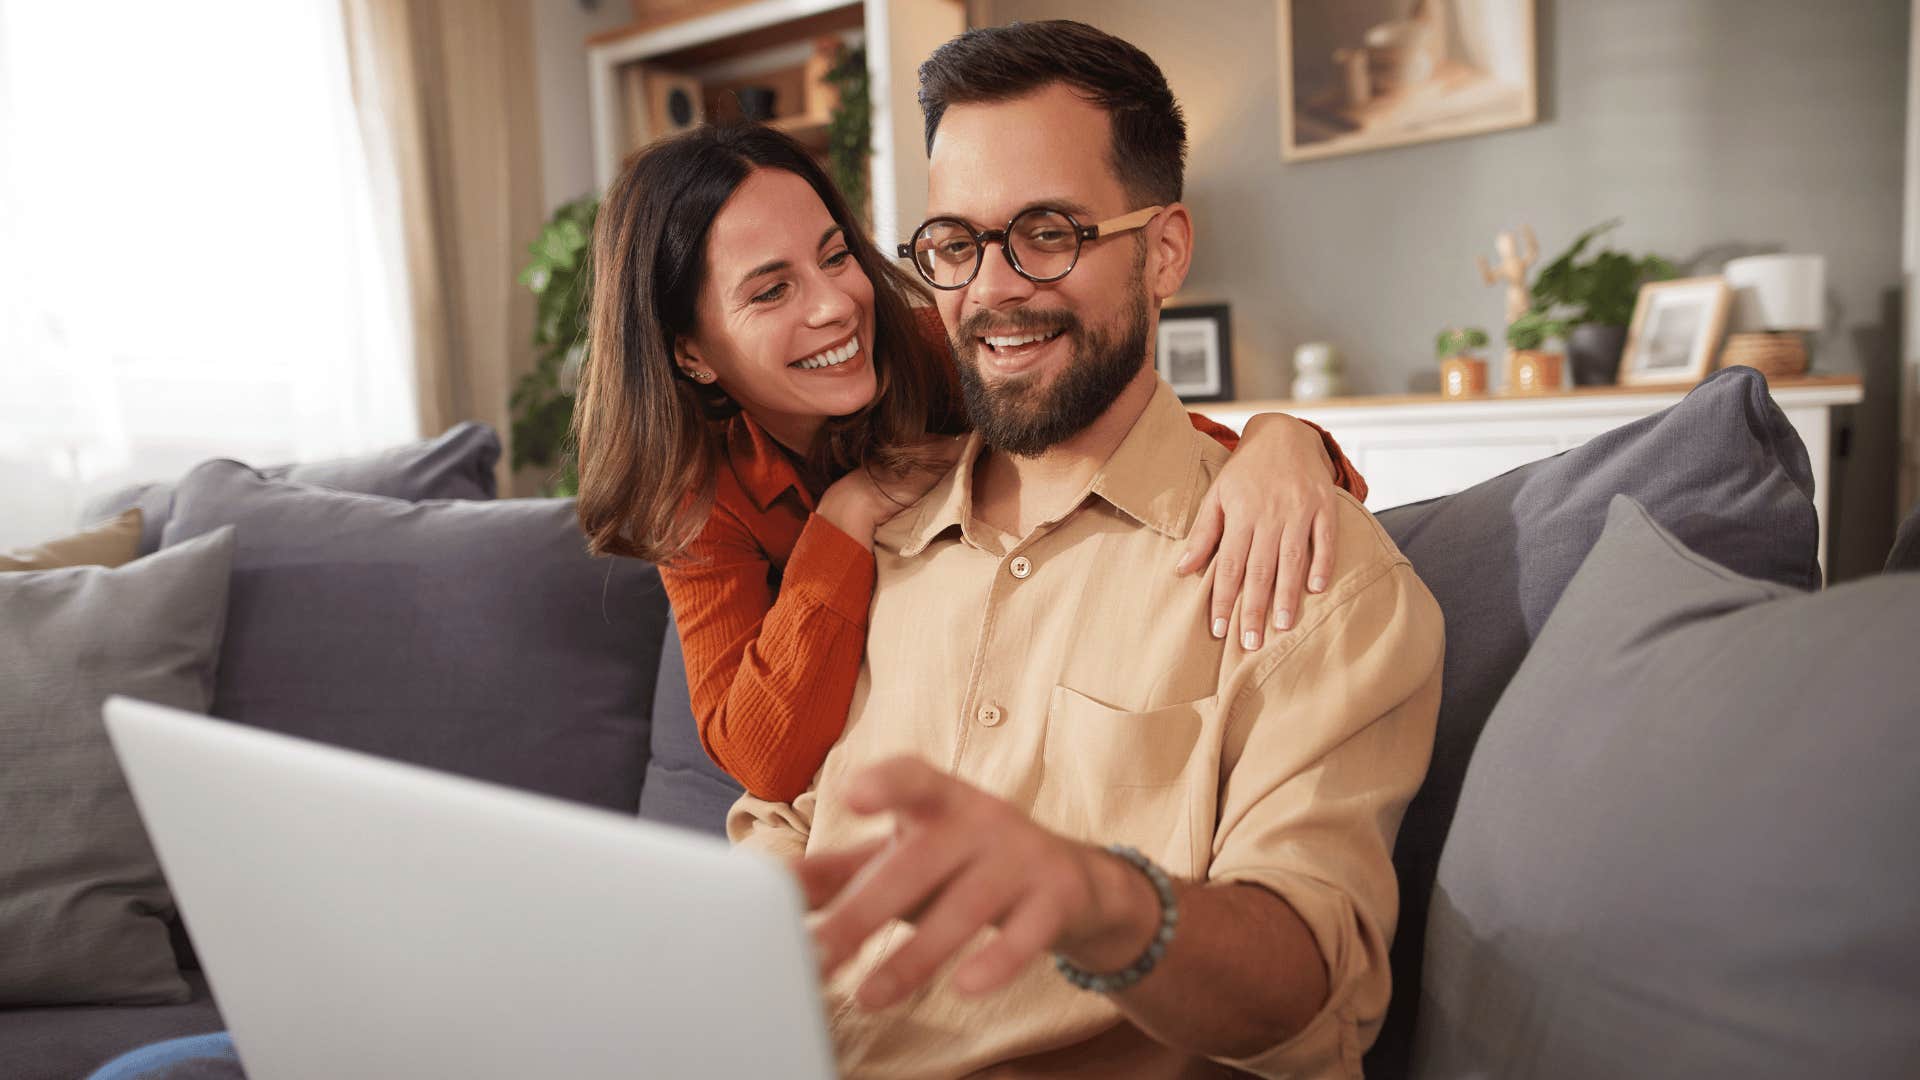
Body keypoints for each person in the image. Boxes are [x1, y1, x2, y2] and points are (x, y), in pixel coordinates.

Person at [729, 20, 1445, 1078]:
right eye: (957, 244)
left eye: (1048, 232)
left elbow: (1314, 991)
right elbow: (780, 818)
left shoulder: (1310, 567)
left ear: (1165, 251)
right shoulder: (870, 544)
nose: (994, 289)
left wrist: (1104, 899)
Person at [570, 122, 1369, 802]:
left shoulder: (935, 350)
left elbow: (1150, 449)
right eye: (771, 291)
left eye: (836, 256)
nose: (835, 305)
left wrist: (1284, 439)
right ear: (689, 352)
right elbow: (762, 759)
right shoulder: (697, 492)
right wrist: (846, 513)